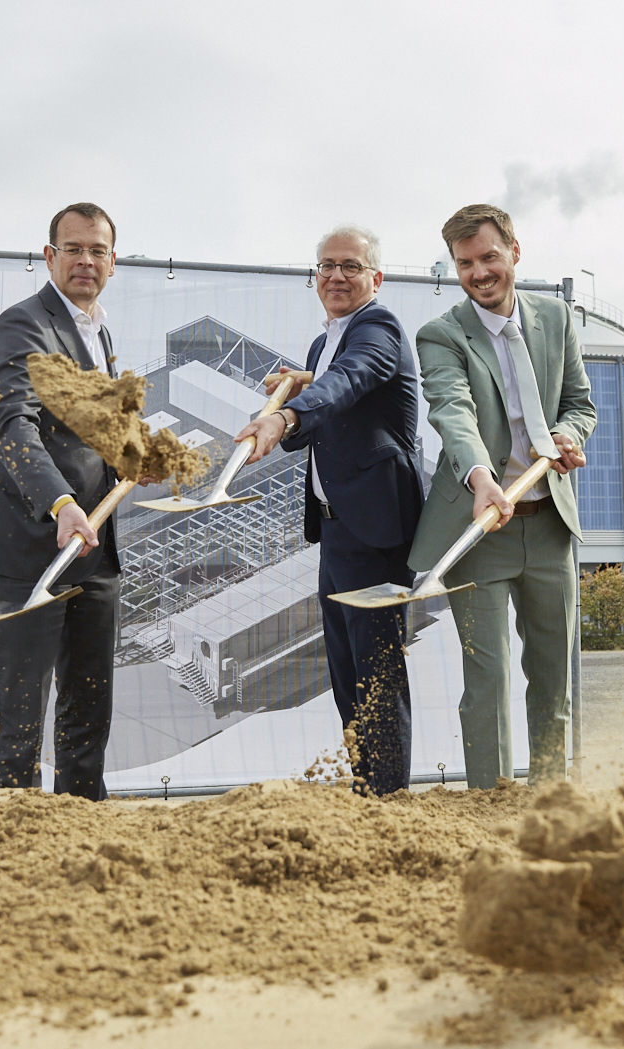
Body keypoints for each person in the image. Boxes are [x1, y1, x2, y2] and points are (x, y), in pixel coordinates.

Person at [0, 201, 140, 798]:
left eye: (98, 251)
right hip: (33, 541)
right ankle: (12, 837)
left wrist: (134, 452)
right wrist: (61, 505)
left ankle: (84, 826)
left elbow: (90, 430)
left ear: (113, 261)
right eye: (75, 249)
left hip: (95, 545)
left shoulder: (99, 329)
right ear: (49, 256)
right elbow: (15, 424)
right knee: (20, 709)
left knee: (90, 700)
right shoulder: (24, 324)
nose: (86, 261)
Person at [410, 204, 596, 788]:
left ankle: (548, 797)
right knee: (487, 679)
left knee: (551, 674)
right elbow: (452, 411)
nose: (479, 272)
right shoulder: (441, 335)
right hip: (481, 525)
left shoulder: (556, 318)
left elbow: (579, 403)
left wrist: (568, 434)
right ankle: (489, 805)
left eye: (489, 257)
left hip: (549, 526)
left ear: (515, 251)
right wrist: (480, 476)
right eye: (465, 263)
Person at [238, 226, 424, 795]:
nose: (336, 276)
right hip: (338, 529)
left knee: (376, 670)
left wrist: (287, 415)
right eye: (326, 266)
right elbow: (330, 406)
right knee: (346, 669)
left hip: (375, 530)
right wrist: (295, 395)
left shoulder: (378, 327)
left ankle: (386, 797)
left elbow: (349, 383)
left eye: (350, 266)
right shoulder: (324, 344)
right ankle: (367, 785)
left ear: (376, 277)